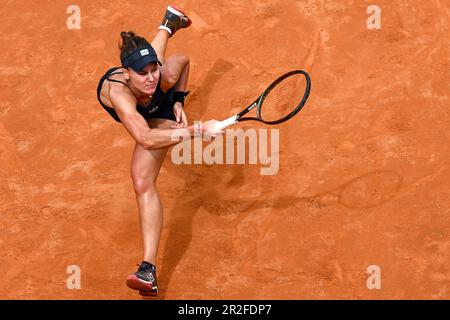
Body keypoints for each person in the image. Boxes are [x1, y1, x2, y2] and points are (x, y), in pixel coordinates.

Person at [96, 5, 223, 296]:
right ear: (126, 74)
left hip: (161, 107)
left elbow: (184, 60)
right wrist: (198, 130)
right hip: (144, 119)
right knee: (155, 69)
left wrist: (177, 100)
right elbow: (145, 138)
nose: (150, 77)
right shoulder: (119, 93)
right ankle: (169, 23)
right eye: (142, 73)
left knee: (142, 180)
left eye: (153, 69)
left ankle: (147, 268)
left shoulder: (159, 77)